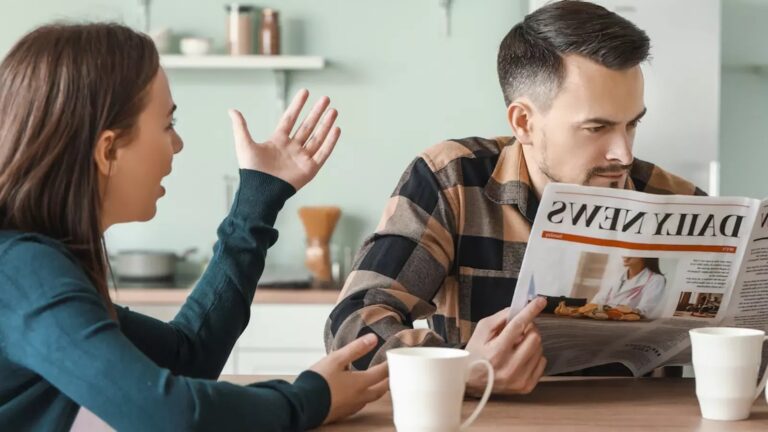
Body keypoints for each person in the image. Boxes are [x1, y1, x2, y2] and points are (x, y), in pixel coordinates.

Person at [0, 23, 388, 431]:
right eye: (168, 124)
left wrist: (259, 197)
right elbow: (169, 414)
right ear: (108, 150)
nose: (178, 143)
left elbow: (189, 356)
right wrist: (310, 398)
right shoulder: (25, 274)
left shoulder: (30, 269)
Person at [324, 0, 704, 394]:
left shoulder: (674, 199)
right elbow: (354, 322)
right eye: (597, 128)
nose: (623, 154)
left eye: (632, 124)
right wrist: (459, 370)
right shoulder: (452, 180)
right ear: (523, 122)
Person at [591, 257, 667, 318]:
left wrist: (614, 311)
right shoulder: (617, 275)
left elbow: (644, 310)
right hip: (604, 320)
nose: (626, 256)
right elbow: (597, 301)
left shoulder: (656, 279)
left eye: (632, 252)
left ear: (644, 256)